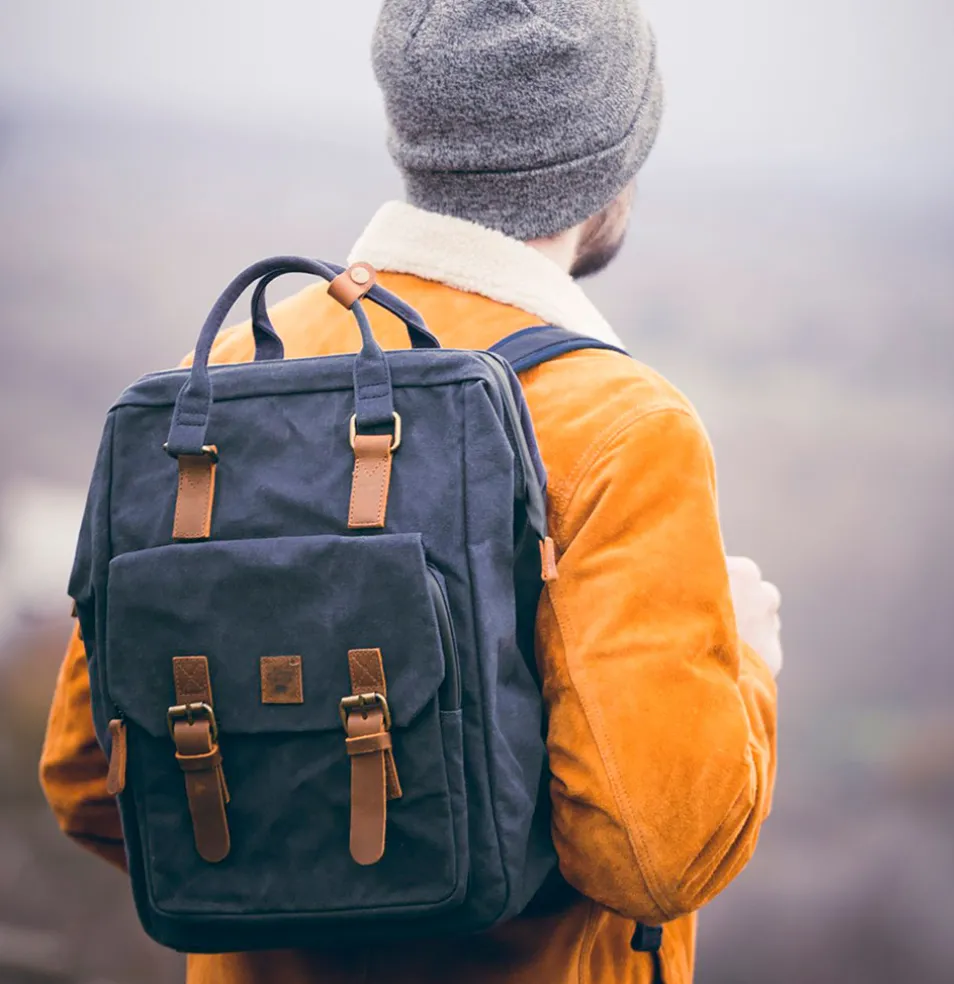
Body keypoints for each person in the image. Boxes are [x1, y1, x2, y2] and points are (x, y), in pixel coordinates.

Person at [40, 2, 780, 982]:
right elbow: (653, 855)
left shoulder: (207, 388)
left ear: (414, 129)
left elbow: (92, 784)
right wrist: (748, 665)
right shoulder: (623, 428)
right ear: (612, 160)